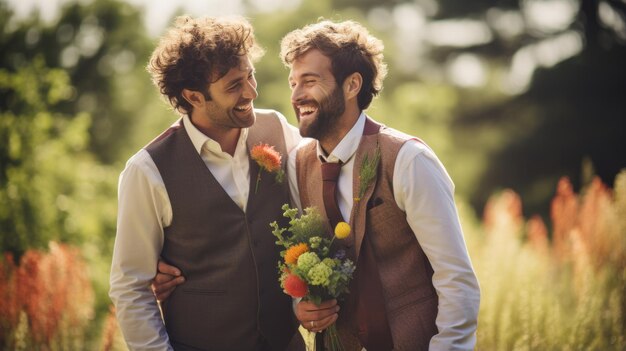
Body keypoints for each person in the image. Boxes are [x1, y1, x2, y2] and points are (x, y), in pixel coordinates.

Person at [154, 19, 480, 351]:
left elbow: (457, 280)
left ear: (352, 85)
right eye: (293, 83)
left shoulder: (409, 161)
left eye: (309, 81)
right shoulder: (297, 163)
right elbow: (290, 254)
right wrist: (302, 307)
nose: (296, 95)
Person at [109, 15, 301, 351]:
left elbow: (328, 178)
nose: (251, 92)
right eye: (233, 85)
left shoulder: (278, 128)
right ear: (193, 97)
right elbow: (130, 287)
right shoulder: (148, 170)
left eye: (250, 76)